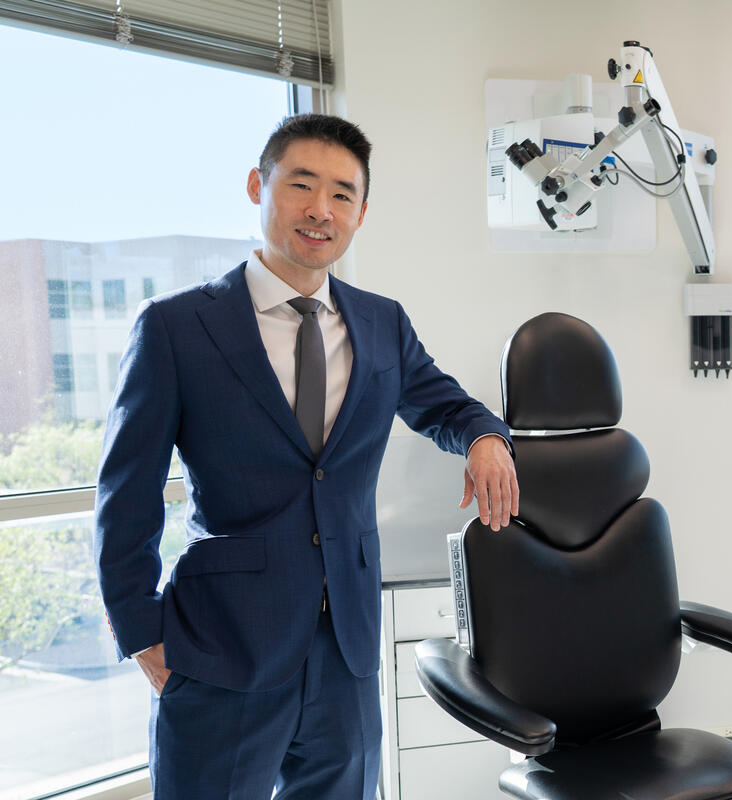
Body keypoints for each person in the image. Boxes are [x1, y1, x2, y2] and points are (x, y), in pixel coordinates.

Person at [93, 114, 519, 799]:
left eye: (343, 195)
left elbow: (446, 406)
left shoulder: (382, 322)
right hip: (222, 645)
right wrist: (141, 632)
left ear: (361, 213)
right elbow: (126, 494)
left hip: (345, 649)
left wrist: (486, 439)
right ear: (260, 186)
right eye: (302, 185)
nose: (322, 210)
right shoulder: (177, 327)